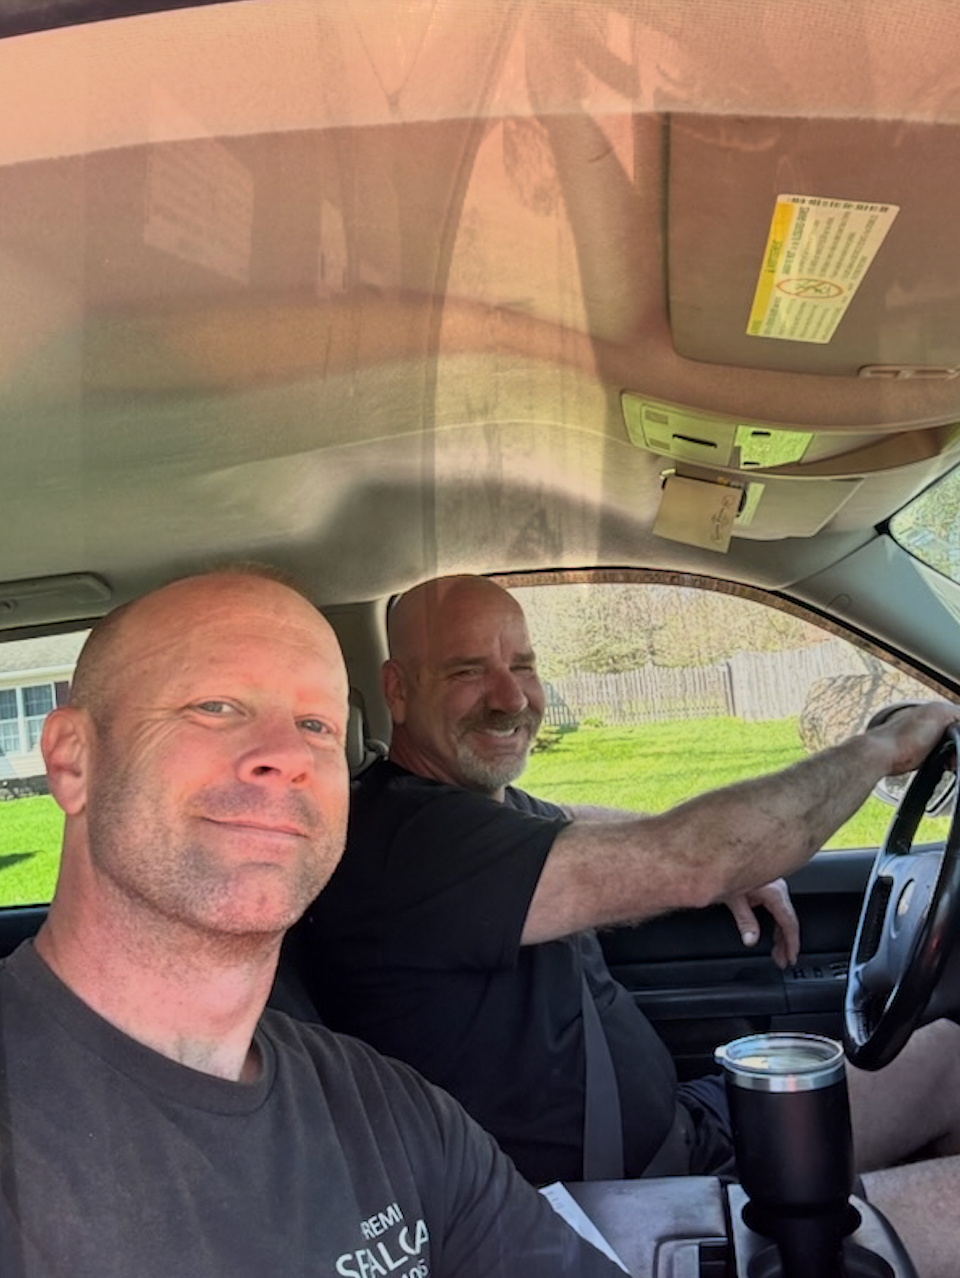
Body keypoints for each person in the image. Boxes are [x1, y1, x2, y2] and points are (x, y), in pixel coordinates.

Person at [292, 572, 960, 1278]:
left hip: (684, 1131)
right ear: (397, 690)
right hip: (610, 1210)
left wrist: (735, 867)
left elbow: (563, 818)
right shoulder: (409, 841)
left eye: (523, 665)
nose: (511, 698)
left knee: (949, 1053)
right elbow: (692, 858)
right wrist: (882, 750)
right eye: (467, 671)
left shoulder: (472, 809)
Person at [0, 568, 625, 1278]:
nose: (290, 756)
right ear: (72, 761)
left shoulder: (390, 1113)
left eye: (316, 725)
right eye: (216, 706)